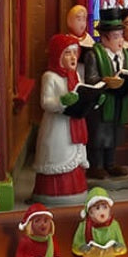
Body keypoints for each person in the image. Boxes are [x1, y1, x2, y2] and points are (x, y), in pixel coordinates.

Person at [83, 7, 128, 179]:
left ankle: (110, 163)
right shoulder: (94, 55)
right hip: (102, 103)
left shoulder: (124, 54)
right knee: (99, 135)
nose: (120, 41)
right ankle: (95, 165)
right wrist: (105, 81)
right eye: (116, 36)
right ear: (104, 38)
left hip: (119, 100)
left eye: (121, 35)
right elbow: (90, 79)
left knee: (114, 133)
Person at [31, 33, 89, 203]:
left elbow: (81, 92)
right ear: (58, 55)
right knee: (59, 156)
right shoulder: (50, 77)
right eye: (67, 53)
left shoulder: (76, 75)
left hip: (75, 123)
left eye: (75, 53)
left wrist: (91, 100)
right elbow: (45, 102)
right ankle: (55, 192)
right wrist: (61, 101)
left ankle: (76, 189)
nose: (72, 57)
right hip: (58, 127)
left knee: (75, 154)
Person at [71, 187, 127, 257]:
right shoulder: (83, 227)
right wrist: (83, 249)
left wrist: (118, 248)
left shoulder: (114, 225)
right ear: (90, 212)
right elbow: (75, 247)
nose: (102, 211)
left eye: (105, 207)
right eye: (97, 208)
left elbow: (124, 247)